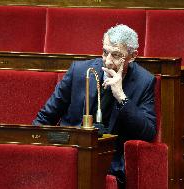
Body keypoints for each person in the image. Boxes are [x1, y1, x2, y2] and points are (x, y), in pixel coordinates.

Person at [32, 24, 156, 188]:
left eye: (116, 55)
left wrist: (121, 96)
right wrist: (35, 155)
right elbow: (45, 118)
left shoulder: (144, 81)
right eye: (105, 52)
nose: (108, 60)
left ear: (132, 56)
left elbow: (148, 132)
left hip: (108, 163)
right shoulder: (79, 70)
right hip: (70, 153)